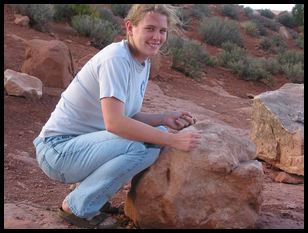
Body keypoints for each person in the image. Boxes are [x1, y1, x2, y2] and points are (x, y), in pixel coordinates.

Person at [33, 4, 201, 229]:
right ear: (130, 27)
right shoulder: (116, 59)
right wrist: (173, 140)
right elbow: (115, 123)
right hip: (57, 151)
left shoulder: (142, 62)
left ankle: (87, 194)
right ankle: (78, 207)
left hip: (82, 148)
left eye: (162, 31)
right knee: (141, 146)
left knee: (155, 137)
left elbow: (128, 116)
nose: (157, 37)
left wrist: (163, 118)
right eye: (150, 28)